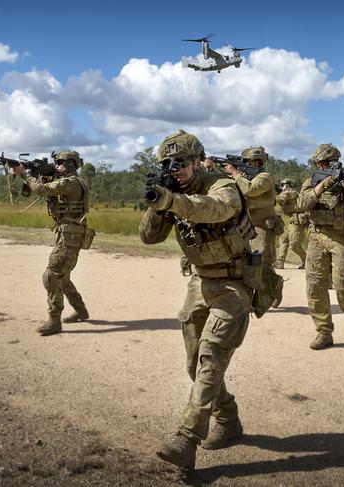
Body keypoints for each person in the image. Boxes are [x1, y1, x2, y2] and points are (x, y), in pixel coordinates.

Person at [140, 130, 255, 470]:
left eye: (181, 163)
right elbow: (148, 237)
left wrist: (173, 201)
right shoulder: (173, 191)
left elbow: (217, 210)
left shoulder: (222, 185)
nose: (174, 169)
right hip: (201, 281)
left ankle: (186, 439)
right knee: (196, 365)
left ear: (198, 161)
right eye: (168, 165)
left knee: (210, 357)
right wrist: (159, 205)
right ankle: (229, 420)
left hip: (234, 282)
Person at [297, 143, 344, 350]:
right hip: (317, 237)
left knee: (342, 286)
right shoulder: (311, 182)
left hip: (341, 239)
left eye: (330, 163)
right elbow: (303, 204)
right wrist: (323, 185)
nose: (326, 166)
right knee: (315, 286)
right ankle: (324, 331)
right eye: (323, 164)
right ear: (317, 164)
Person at [13, 150, 91, 336]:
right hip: (67, 233)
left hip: (69, 234)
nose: (57, 165)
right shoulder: (68, 181)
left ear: (71, 164)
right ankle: (81, 311)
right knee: (62, 277)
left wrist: (24, 174)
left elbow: (44, 190)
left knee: (51, 276)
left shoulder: (70, 182)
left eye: (61, 162)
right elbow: (46, 188)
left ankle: (54, 321)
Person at [222, 146, 284, 308]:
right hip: (244, 225)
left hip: (262, 227)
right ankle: (249, 299)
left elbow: (250, 190)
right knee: (244, 263)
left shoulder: (265, 177)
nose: (252, 163)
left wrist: (235, 173)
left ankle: (275, 286)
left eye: (251, 161)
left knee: (262, 263)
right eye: (247, 162)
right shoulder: (243, 177)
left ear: (259, 162)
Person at [274, 178, 307, 269]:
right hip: (290, 222)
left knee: (294, 245)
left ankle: (307, 260)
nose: (281, 187)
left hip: (296, 223)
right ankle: (280, 262)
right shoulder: (288, 192)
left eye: (282, 185)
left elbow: (281, 199)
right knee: (283, 239)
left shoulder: (291, 192)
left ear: (289, 185)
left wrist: (272, 193)